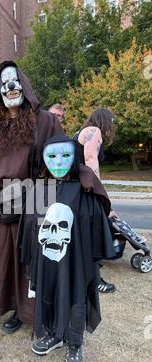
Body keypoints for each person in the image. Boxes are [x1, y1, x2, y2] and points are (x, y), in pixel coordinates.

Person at [0, 61, 63, 334]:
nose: (11, 87)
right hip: (1, 206)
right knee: (5, 261)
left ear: (24, 86)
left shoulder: (45, 121)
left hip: (33, 205)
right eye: (5, 82)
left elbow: (58, 160)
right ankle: (14, 309)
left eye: (15, 81)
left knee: (30, 261)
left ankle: (34, 311)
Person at [19, 133, 115, 362]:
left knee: (75, 296)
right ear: (42, 159)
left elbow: (95, 225)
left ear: (75, 158)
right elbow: (29, 226)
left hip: (76, 260)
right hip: (47, 258)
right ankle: (53, 334)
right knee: (48, 291)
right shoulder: (39, 189)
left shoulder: (84, 189)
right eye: (51, 156)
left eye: (65, 156)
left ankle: (74, 343)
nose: (59, 162)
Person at [74, 108, 116, 294]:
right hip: (86, 190)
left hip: (76, 189)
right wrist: (99, 191)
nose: (112, 125)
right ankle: (95, 281)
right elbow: (91, 159)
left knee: (84, 236)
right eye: (111, 120)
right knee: (94, 235)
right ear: (104, 120)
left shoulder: (80, 132)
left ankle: (88, 279)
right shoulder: (94, 132)